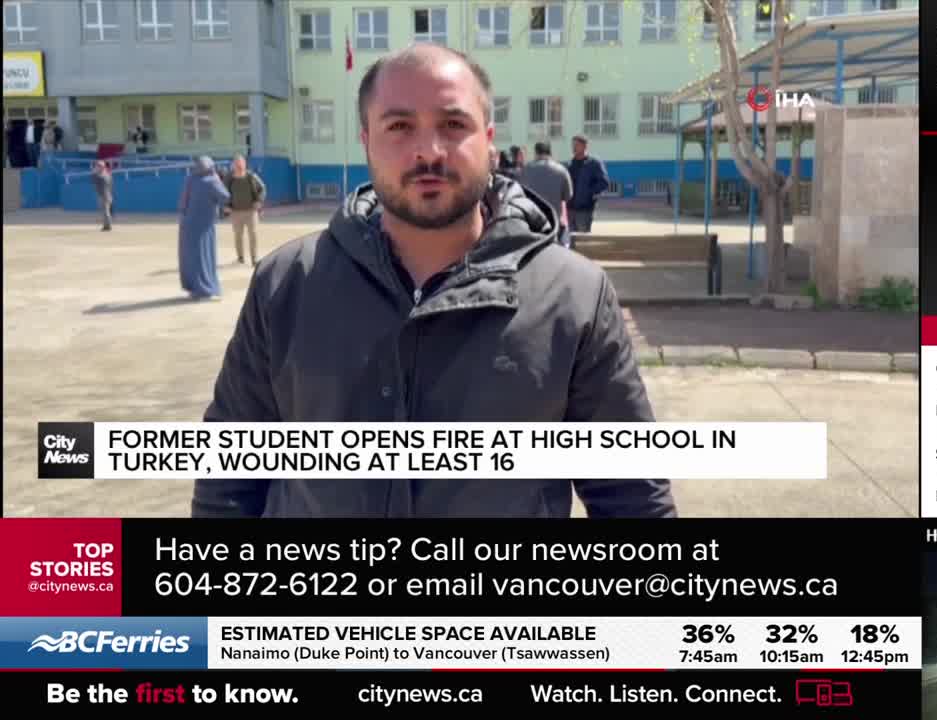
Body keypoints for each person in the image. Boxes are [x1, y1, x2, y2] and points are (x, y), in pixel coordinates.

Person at [192, 43, 675, 519]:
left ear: (488, 139)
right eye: (399, 126)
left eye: (453, 124)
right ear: (366, 140)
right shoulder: (287, 284)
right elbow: (228, 478)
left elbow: (632, 496)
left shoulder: (574, 296)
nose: (428, 150)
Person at [177, 156, 230, 301]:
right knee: (204, 257)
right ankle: (205, 290)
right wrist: (220, 180)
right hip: (204, 226)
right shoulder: (211, 181)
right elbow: (225, 197)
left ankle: (193, 288)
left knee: (190, 258)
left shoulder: (190, 179)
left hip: (186, 225)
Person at [518, 141, 574, 248]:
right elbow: (568, 196)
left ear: (536, 152)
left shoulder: (526, 169)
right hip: (554, 220)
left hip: (532, 220)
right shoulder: (561, 170)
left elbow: (520, 192)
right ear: (550, 152)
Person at [223, 154, 267, 265]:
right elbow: (223, 193)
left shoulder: (251, 176)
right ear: (233, 165)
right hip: (235, 212)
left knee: (253, 234)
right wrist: (226, 205)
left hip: (251, 211)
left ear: (245, 164)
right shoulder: (229, 178)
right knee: (238, 235)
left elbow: (262, 188)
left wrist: (259, 201)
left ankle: (254, 259)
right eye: (237, 164)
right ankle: (240, 258)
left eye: (241, 163)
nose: (239, 166)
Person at [566, 135, 609, 233]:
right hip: (570, 210)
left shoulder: (594, 163)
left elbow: (604, 182)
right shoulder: (570, 164)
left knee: (582, 241)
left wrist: (589, 193)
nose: (573, 148)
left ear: (585, 146)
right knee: (570, 242)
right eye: (572, 145)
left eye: (576, 145)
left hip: (585, 210)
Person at [90, 161, 113, 231]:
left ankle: (107, 226)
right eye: (96, 166)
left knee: (105, 212)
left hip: (104, 196)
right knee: (105, 211)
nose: (96, 168)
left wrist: (94, 172)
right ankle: (106, 225)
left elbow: (94, 179)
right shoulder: (106, 174)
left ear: (102, 167)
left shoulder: (102, 176)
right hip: (105, 195)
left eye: (98, 166)